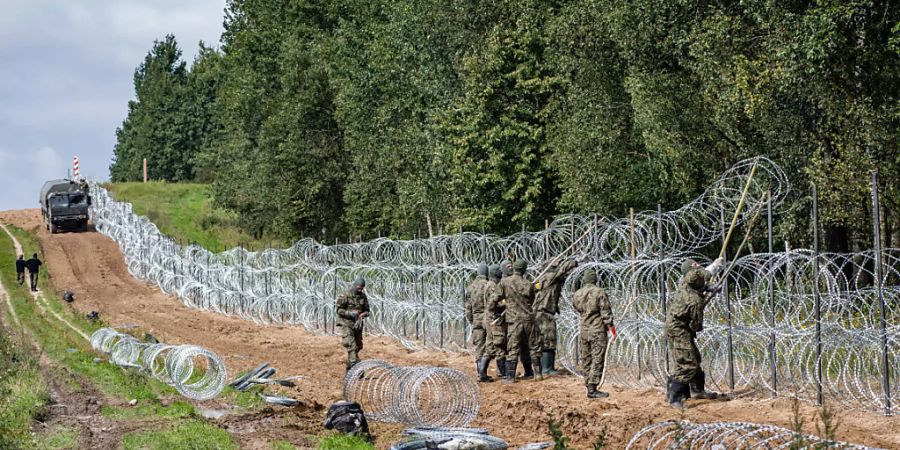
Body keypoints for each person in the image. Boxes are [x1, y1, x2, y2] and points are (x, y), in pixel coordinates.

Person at [664, 257, 725, 408]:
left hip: (679, 326)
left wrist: (709, 287)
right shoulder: (695, 301)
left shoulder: (685, 283)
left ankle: (697, 390)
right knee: (687, 363)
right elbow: (696, 325)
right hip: (678, 329)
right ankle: (675, 397)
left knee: (694, 357)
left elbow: (697, 280)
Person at [532, 256, 580, 376]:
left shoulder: (543, 279)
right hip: (544, 313)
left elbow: (563, 277)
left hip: (541, 312)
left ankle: (545, 367)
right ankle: (547, 369)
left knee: (544, 340)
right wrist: (574, 262)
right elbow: (562, 270)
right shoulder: (549, 277)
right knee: (548, 340)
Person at [572, 268, 616, 398]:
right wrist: (612, 330)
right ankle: (592, 388)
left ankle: (588, 385)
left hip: (584, 329)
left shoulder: (577, 294)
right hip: (597, 330)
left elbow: (576, 308)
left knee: (586, 359)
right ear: (595, 279)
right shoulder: (599, 292)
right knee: (597, 358)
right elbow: (605, 313)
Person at [499, 259, 542, 383]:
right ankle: (537, 374)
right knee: (533, 346)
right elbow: (532, 300)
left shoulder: (505, 282)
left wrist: (499, 308)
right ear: (524, 270)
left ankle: (510, 377)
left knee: (513, 347)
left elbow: (496, 297)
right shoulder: (528, 284)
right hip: (528, 319)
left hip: (514, 320)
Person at [465, 264, 493, 382]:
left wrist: (472, 320)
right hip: (488, 318)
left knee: (479, 346)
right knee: (491, 344)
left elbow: (468, 308)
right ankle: (484, 371)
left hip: (476, 318)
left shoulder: (471, 287)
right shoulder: (488, 285)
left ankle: (479, 372)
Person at [336, 278, 370, 373]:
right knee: (352, 346)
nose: (360, 290)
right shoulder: (345, 295)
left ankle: (349, 367)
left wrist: (363, 315)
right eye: (359, 288)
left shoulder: (363, 296)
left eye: (362, 288)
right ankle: (358, 369)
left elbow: (367, 311)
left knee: (358, 347)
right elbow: (339, 310)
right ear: (355, 286)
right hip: (346, 324)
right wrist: (349, 313)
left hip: (357, 324)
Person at [484, 264, 507, 380]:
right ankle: (502, 372)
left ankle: (482, 372)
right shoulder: (493, 286)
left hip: (490, 318)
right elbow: (493, 302)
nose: (500, 272)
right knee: (499, 344)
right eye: (498, 271)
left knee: (491, 345)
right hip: (493, 319)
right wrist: (505, 303)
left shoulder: (491, 284)